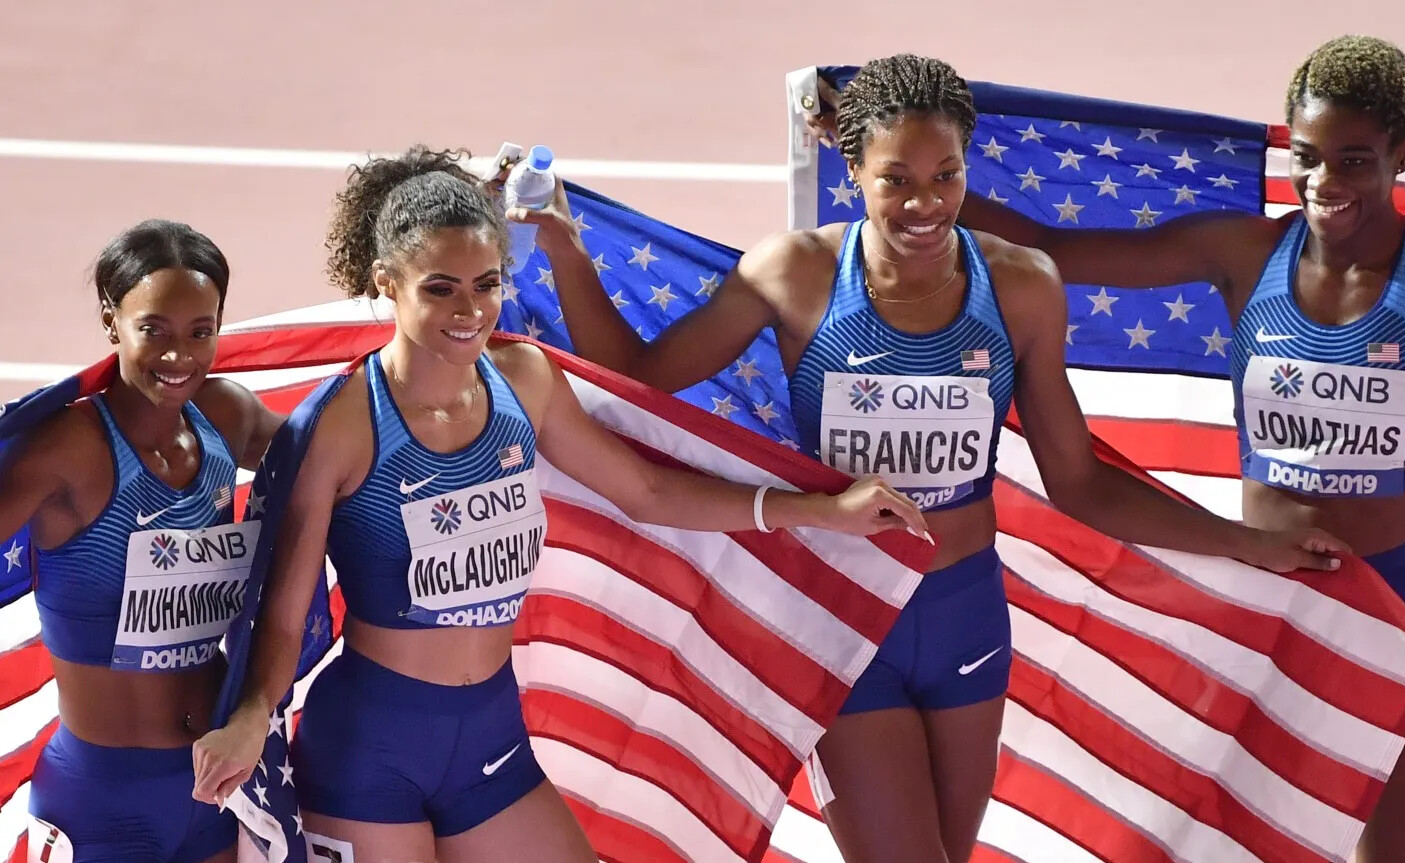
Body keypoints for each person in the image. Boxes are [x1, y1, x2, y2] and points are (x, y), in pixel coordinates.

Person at [518, 53, 1351, 863]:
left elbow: (1079, 482)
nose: (925, 203)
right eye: (896, 180)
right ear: (853, 172)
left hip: (966, 615)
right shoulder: (797, 274)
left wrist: (1249, 542)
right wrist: (563, 248)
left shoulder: (1020, 285)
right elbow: (639, 375)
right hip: (846, 614)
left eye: (945, 175)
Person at [187, 145, 930, 863]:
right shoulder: (343, 424)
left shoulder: (525, 380)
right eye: (440, 288)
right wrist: (251, 716)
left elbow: (646, 491)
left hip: (491, 739)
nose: (469, 309)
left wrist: (816, 510)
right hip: (370, 751)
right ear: (387, 281)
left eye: (486, 283)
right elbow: (284, 611)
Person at [919, 34, 1405, 863]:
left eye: (1354, 161)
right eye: (1307, 157)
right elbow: (1051, 251)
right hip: (1271, 596)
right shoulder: (1244, 252)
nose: (1324, 183)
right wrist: (910, 176)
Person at [1, 219, 283, 862]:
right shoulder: (69, 449)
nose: (179, 355)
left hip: (214, 786)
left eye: (200, 331)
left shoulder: (225, 416)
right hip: (103, 799)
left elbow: (343, 454)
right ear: (112, 321)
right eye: (154, 329)